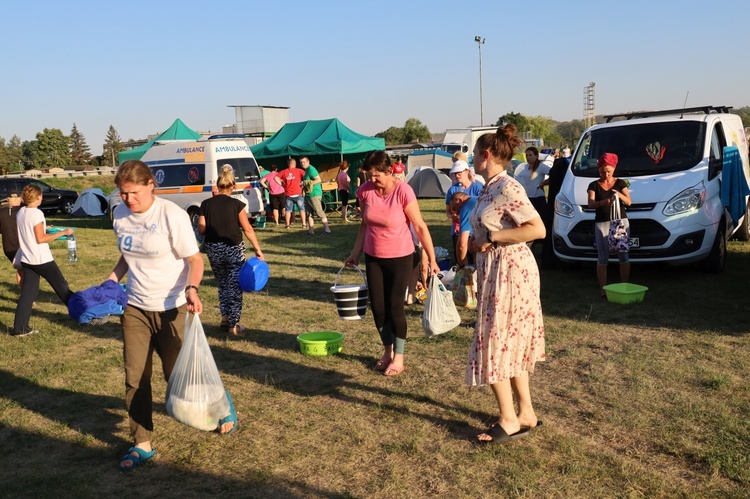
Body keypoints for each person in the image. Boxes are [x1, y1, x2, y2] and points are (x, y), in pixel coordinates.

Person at [107, 160, 237, 471]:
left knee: (178, 376)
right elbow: (127, 256)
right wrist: (111, 280)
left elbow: (194, 260)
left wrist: (192, 289)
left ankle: (220, 403)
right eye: (122, 193)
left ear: (151, 184)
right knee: (135, 377)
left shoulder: (171, 216)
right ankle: (142, 443)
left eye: (133, 192)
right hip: (136, 307)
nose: (128, 199)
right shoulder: (120, 215)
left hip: (173, 307)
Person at [467, 124, 546, 444]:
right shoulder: (488, 187)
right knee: (507, 343)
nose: (472, 158)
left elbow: (536, 229)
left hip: (511, 275)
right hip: (494, 272)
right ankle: (526, 413)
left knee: (495, 343)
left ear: (485, 155)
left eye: (474, 154)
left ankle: (509, 418)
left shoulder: (508, 187)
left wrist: (494, 238)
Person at [345, 150, 440, 377]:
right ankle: (387, 351)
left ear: (389, 171)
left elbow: (419, 226)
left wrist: (432, 258)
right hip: (374, 256)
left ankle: (399, 357)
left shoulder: (403, 191)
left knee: (395, 306)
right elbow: (364, 225)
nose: (372, 179)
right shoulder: (365, 191)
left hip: (400, 256)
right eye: (369, 175)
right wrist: (355, 253)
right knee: (378, 307)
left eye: (376, 175)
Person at [198, 165, 264, 335]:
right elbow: (247, 229)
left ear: (217, 187)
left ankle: (225, 317)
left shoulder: (205, 204)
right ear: (233, 186)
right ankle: (233, 326)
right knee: (235, 285)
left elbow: (201, 229)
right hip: (233, 247)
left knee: (222, 283)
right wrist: (257, 249)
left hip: (214, 248)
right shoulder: (237, 204)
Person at [12, 185, 74, 336]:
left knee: (28, 294)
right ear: (38, 197)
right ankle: (83, 313)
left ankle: (19, 328)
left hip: (28, 258)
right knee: (62, 288)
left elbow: (31, 231)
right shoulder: (37, 213)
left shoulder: (21, 212)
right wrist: (63, 233)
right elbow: (40, 238)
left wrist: (46, 227)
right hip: (41, 259)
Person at [588, 152, 632, 297]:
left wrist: (618, 195)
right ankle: (603, 289)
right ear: (598, 170)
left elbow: (629, 202)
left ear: (614, 169)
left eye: (608, 171)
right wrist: (604, 202)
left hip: (620, 222)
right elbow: (591, 204)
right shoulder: (594, 185)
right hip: (602, 223)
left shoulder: (620, 183)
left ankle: (624, 285)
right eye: (602, 172)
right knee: (602, 257)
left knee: (623, 254)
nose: (606, 175)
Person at [445, 160, 483, 264]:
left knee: (474, 255)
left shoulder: (478, 188)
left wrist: (463, 267)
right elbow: (448, 211)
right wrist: (452, 216)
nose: (456, 176)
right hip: (459, 229)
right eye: (454, 174)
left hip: (474, 230)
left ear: (467, 171)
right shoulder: (453, 190)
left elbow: (462, 246)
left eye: (459, 173)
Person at [514, 146, 552, 220]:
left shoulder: (541, 167)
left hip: (538, 198)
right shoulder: (524, 167)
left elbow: (554, 174)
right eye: (527, 155)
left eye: (530, 155)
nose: (528, 157)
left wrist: (543, 183)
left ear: (536, 156)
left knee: (541, 219)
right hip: (527, 198)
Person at [300, 156, 332, 235]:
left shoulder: (311, 169)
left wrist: (306, 183)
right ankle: (311, 230)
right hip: (308, 194)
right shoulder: (306, 170)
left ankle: (327, 229)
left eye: (304, 162)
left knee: (319, 211)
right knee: (309, 213)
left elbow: (318, 180)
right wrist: (303, 185)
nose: (302, 164)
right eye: (301, 162)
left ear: (308, 162)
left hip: (314, 194)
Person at [0, 192, 23, 286]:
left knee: (20, 269)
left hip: (8, 248)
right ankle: (26, 295)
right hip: (22, 247)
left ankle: (24, 293)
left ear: (8, 200)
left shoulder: (1, 212)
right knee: (27, 270)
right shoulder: (24, 211)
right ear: (21, 199)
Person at [449, 192, 478, 267]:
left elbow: (462, 244)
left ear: (459, 200)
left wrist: (462, 266)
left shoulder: (466, 207)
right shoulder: (478, 199)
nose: (456, 213)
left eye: (454, 209)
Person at [277, 158, 306, 229]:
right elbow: (306, 177)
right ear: (295, 164)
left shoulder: (283, 172)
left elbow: (276, 178)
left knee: (288, 210)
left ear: (288, 164)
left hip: (288, 194)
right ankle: (304, 224)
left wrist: (281, 184)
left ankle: (287, 225)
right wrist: (303, 183)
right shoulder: (299, 170)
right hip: (298, 193)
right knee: (301, 209)